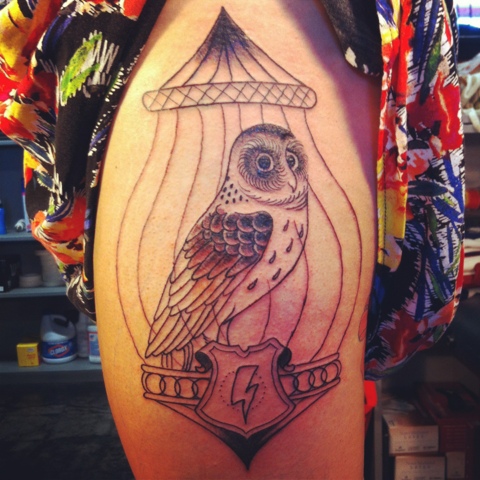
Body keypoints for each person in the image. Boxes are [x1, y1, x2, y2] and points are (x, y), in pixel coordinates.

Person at [0, 0, 464, 478]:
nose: (284, 174)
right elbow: (197, 298)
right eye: (264, 164)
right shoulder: (248, 218)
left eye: (292, 163)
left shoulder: (284, 217)